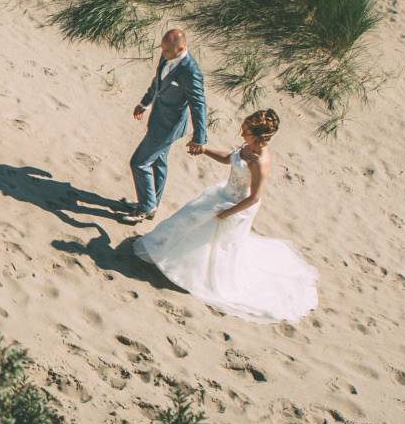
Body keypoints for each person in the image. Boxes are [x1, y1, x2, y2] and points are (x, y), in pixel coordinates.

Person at [127, 108, 317, 324]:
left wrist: (227, 213)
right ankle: (165, 255)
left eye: (245, 132)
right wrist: (204, 150)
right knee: (188, 219)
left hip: (237, 206)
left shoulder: (259, 162)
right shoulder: (248, 147)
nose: (242, 135)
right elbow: (230, 158)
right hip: (223, 194)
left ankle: (193, 275)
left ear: (257, 136)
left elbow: (254, 197)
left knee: (214, 244)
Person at [123, 28, 208, 225]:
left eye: (168, 51)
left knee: (139, 162)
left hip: (170, 126)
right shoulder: (166, 56)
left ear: (182, 48)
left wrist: (199, 138)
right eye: (162, 50)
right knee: (158, 163)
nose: (163, 54)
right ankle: (151, 203)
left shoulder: (191, 72)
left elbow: (198, 104)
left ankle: (146, 207)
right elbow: (157, 82)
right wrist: (145, 103)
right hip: (158, 118)